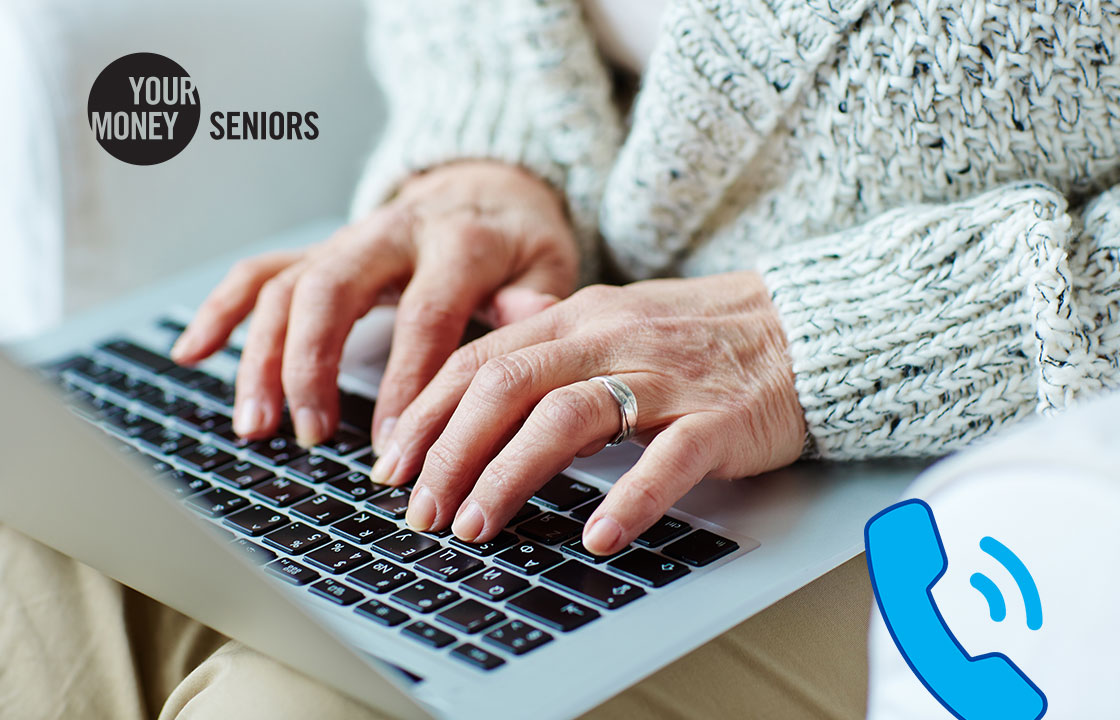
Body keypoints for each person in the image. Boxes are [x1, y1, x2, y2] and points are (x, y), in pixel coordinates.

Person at [4, 0, 1119, 718]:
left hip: (976, 462)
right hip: (536, 315)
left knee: (297, 703)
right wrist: (489, 156)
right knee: (36, 523)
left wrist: (831, 335)